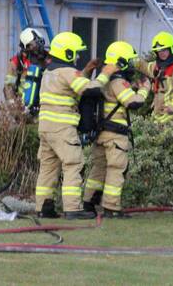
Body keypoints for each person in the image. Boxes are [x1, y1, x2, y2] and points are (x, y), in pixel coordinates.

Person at [34, 31, 113, 220]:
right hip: (62, 129)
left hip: (46, 129)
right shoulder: (68, 72)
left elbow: (75, 83)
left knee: (48, 167)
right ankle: (73, 208)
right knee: (73, 163)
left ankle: (44, 207)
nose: (77, 56)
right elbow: (90, 88)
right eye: (75, 52)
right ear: (67, 53)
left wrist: (88, 69)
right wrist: (105, 74)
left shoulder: (50, 72)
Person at [81, 41, 150, 218]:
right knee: (116, 169)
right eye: (130, 61)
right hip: (115, 135)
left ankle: (88, 203)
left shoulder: (103, 78)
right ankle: (111, 208)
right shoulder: (118, 81)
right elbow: (133, 102)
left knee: (99, 169)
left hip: (101, 133)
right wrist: (144, 89)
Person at [133, 31, 173, 137]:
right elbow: (145, 67)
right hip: (159, 121)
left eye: (164, 49)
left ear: (172, 49)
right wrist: (131, 58)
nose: (161, 53)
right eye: (158, 51)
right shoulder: (158, 66)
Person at [4, 28, 50, 114]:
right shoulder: (17, 62)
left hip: (44, 108)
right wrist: (15, 108)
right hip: (23, 108)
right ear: (27, 46)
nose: (39, 47)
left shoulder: (48, 59)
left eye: (40, 43)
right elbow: (8, 86)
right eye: (35, 44)